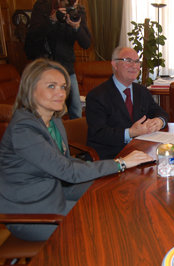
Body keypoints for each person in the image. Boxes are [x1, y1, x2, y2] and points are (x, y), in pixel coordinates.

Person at [0, 59, 154, 242]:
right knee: (109, 225)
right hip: (31, 212)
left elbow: (65, 162)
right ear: (30, 88)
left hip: (54, 190)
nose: (60, 93)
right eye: (51, 86)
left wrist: (107, 166)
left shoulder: (54, 120)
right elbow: (67, 171)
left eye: (63, 86)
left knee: (113, 192)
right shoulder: (23, 130)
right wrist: (121, 162)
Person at [85, 46, 169, 159]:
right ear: (115, 64)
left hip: (141, 151)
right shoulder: (96, 96)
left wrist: (159, 121)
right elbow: (99, 133)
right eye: (128, 61)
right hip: (111, 157)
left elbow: (159, 111)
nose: (134, 66)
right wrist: (130, 132)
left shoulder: (141, 91)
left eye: (137, 61)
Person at [25, 0, 91, 119]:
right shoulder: (43, 7)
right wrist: (52, 20)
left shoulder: (78, 11)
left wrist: (76, 27)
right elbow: (32, 37)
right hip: (46, 68)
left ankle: (72, 136)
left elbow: (86, 43)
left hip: (68, 69)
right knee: (49, 111)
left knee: (76, 110)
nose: (71, 5)